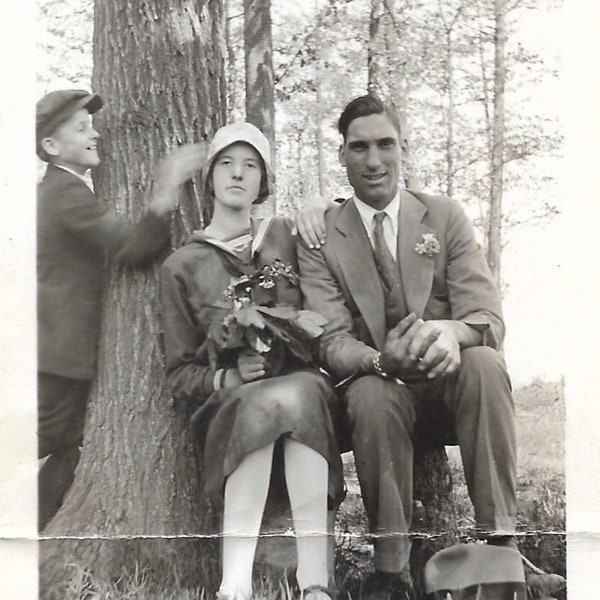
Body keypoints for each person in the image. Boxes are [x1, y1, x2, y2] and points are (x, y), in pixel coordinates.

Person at [297, 94, 518, 600]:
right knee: (373, 394)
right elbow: (329, 340)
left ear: (403, 147)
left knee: (484, 363)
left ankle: (502, 552)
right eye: (359, 148)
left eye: (385, 144)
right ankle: (390, 571)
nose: (373, 161)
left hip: (448, 391)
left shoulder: (443, 216)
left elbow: (486, 319)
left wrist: (450, 333)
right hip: (378, 399)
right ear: (342, 156)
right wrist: (379, 360)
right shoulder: (322, 236)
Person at [160, 122, 344, 600]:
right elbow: (179, 372)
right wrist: (226, 375)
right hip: (232, 401)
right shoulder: (183, 264)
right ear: (210, 179)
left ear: (264, 182)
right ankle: (234, 586)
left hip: (303, 388)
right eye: (226, 163)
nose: (237, 174)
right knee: (259, 402)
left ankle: (315, 583)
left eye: (251, 166)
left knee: (299, 391)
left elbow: (344, 223)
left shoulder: (283, 235)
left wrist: (320, 204)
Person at [36, 89, 204, 531]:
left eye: (91, 125)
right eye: (81, 128)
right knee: (39, 442)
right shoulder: (64, 194)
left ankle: (37, 532)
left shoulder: (63, 190)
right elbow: (133, 248)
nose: (95, 134)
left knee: (72, 444)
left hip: (61, 354)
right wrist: (166, 185)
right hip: (57, 357)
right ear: (51, 147)